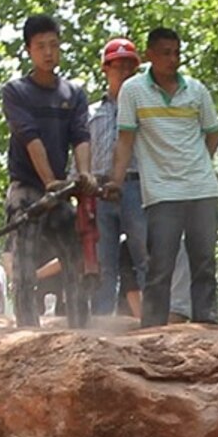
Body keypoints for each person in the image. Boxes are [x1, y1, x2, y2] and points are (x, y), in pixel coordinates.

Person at [112, 26, 218, 326]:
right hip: (162, 192)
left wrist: (197, 163)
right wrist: (115, 181)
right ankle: (153, 329)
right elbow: (125, 140)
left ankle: (207, 324)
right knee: (160, 264)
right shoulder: (134, 90)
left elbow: (214, 135)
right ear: (149, 55)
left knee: (204, 262)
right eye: (165, 53)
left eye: (176, 53)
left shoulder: (196, 90)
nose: (172, 60)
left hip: (201, 188)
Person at [0, 14, 92, 328]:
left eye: (54, 44)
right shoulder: (15, 92)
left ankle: (81, 329)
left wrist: (84, 175)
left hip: (61, 189)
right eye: (41, 46)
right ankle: (26, 328)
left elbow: (80, 136)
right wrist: (49, 179)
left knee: (74, 258)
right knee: (24, 263)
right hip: (27, 186)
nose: (49, 52)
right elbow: (29, 137)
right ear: (28, 50)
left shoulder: (73, 94)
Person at [87, 37, 148, 320]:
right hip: (98, 190)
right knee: (103, 261)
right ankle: (101, 320)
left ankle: (154, 317)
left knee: (144, 255)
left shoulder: (145, 109)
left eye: (129, 67)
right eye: (118, 66)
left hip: (135, 185)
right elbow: (81, 151)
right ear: (105, 69)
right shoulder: (90, 113)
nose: (124, 72)